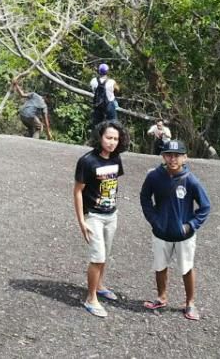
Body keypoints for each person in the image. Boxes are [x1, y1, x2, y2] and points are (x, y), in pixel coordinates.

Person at [139, 139, 211, 321]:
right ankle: (161, 297)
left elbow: (205, 206)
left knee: (187, 268)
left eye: (177, 155)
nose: (173, 159)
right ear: (163, 156)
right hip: (160, 232)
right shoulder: (154, 176)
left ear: (185, 158)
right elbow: (145, 198)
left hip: (184, 236)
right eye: (169, 155)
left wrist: (191, 225)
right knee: (160, 266)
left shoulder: (190, 180)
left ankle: (190, 303)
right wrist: (153, 220)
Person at [72, 120, 129, 318]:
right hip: (93, 215)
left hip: (111, 214)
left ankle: (100, 285)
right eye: (108, 138)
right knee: (98, 257)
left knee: (105, 254)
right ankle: (90, 298)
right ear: (100, 137)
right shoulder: (87, 161)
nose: (112, 142)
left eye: (115, 138)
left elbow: (112, 184)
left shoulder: (116, 159)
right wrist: (81, 222)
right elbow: (78, 191)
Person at [89, 63, 119, 129]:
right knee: (113, 124)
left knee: (97, 125)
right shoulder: (112, 81)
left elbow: (92, 89)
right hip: (109, 105)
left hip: (98, 105)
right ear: (107, 71)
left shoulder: (93, 81)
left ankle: (96, 137)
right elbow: (117, 90)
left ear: (99, 71)